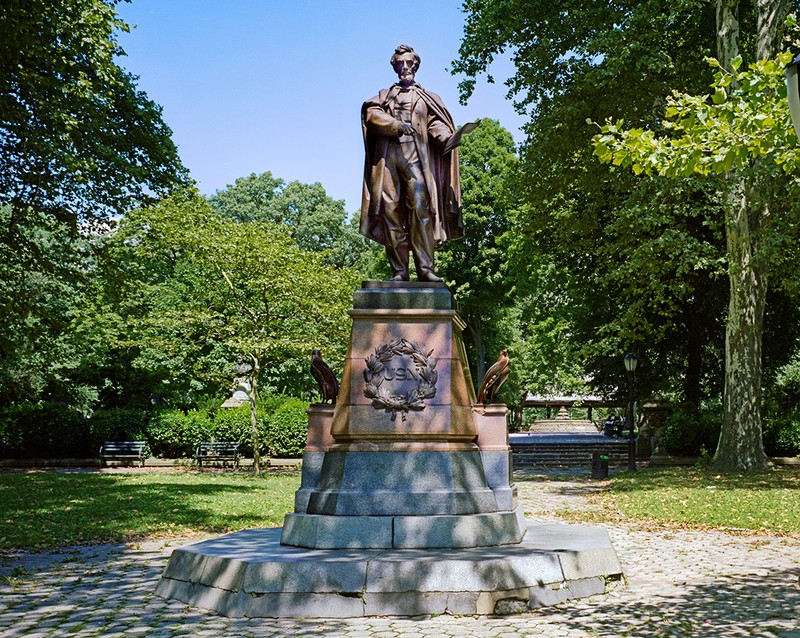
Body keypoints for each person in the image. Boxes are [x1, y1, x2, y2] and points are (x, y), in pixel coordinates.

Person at [360, 45, 463, 282]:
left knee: (420, 208)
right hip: (388, 158)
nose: (405, 67)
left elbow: (435, 124)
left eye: (409, 63)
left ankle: (426, 269)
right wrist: (395, 125)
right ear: (395, 66)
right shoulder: (385, 96)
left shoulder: (427, 98)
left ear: (415, 66)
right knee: (390, 211)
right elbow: (372, 115)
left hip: (416, 158)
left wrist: (447, 137)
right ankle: (399, 272)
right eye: (400, 63)